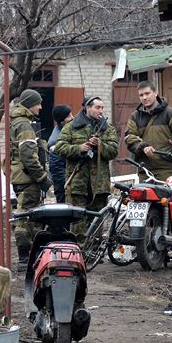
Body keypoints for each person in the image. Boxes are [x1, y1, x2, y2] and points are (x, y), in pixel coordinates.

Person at [54, 96, 118, 242]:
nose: (100, 111)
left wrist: (99, 145)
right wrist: (79, 148)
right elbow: (59, 148)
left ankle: (94, 250)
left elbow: (114, 151)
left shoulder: (108, 129)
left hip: (99, 184)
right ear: (87, 108)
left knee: (97, 219)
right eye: (97, 107)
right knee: (77, 220)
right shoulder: (71, 127)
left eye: (102, 108)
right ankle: (78, 250)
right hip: (77, 182)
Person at [10, 89, 52, 264]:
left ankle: (28, 256)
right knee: (26, 218)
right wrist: (43, 179)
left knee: (29, 216)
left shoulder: (18, 122)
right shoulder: (25, 125)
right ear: (29, 104)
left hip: (21, 177)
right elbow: (28, 157)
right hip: (29, 179)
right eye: (38, 103)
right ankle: (24, 258)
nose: (41, 107)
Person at [124, 81, 172, 181]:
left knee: (166, 196)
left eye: (147, 93)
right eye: (141, 95)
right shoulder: (135, 117)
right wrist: (143, 147)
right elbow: (129, 137)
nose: (144, 97)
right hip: (144, 170)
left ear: (155, 93)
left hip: (166, 169)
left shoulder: (169, 113)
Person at [47, 104, 73, 203]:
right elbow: (57, 169)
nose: (72, 118)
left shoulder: (66, 131)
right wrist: (66, 186)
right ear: (62, 121)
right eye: (69, 116)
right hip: (64, 185)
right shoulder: (56, 141)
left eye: (71, 114)